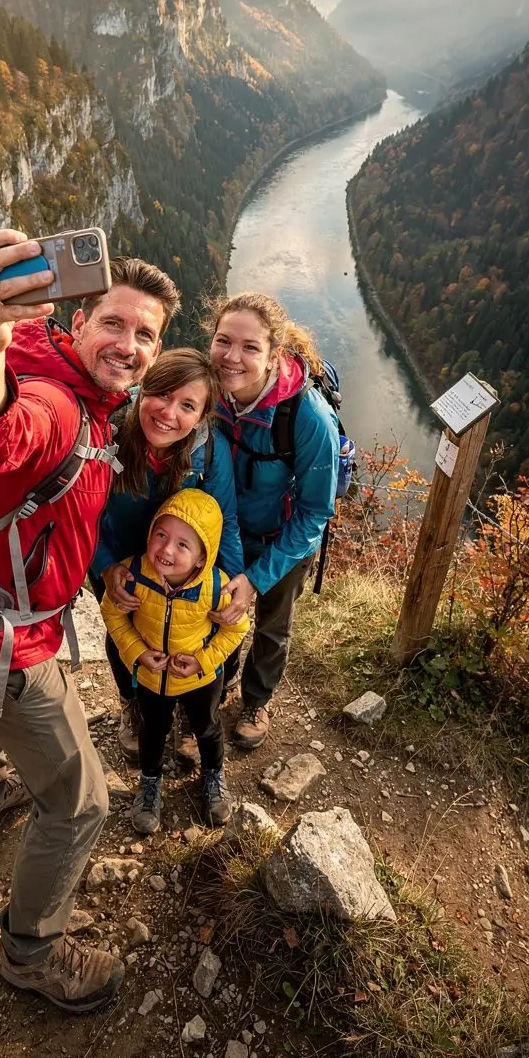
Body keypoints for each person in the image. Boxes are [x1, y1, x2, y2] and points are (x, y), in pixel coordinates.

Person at [0, 228, 180, 1014]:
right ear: (76, 323)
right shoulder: (50, 397)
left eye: (146, 334)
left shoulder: (72, 384)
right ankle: (33, 952)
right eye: (114, 323)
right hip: (10, 638)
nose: (130, 344)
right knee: (82, 802)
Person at [89, 348, 243, 761]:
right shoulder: (109, 431)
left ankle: (191, 712)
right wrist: (104, 567)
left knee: (195, 632)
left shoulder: (209, 453)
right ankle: (134, 704)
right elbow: (80, 510)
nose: (169, 413)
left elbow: (223, 521)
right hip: (118, 559)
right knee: (124, 630)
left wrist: (233, 586)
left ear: (203, 415)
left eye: (188, 405)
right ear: (143, 389)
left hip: (183, 568)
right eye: (161, 393)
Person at [206, 292, 339, 750]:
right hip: (224, 535)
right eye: (224, 341)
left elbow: (315, 511)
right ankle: (213, 693)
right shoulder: (207, 390)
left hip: (283, 541)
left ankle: (256, 700)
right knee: (217, 616)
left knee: (271, 624)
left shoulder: (306, 417)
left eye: (250, 347)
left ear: (273, 355)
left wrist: (258, 578)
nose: (232, 357)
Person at [100, 489, 249, 833]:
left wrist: (204, 662)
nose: (166, 550)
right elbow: (113, 614)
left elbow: (237, 629)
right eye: (161, 535)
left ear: (201, 558)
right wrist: (137, 653)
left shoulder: (216, 587)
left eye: (183, 545)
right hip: (153, 678)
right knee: (152, 730)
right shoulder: (133, 574)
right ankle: (150, 783)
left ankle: (213, 775)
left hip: (201, 678)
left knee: (208, 728)